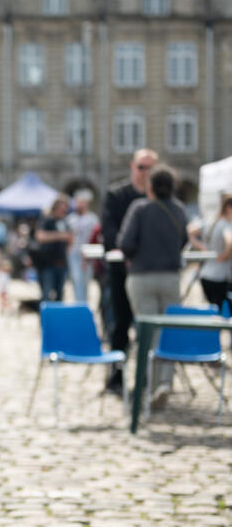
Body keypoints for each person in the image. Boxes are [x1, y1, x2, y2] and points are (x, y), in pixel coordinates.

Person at [118, 164, 188, 410]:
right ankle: (164, 383)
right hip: (170, 277)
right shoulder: (179, 210)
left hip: (142, 277)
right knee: (167, 332)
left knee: (145, 333)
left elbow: (125, 243)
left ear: (150, 186)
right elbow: (184, 241)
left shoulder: (139, 208)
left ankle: (145, 386)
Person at [101, 148, 159, 393]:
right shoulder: (116, 194)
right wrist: (128, 253)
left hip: (148, 271)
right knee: (120, 323)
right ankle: (116, 376)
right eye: (141, 167)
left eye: (150, 168)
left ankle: (149, 377)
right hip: (121, 270)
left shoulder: (158, 197)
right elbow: (109, 231)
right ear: (132, 167)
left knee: (149, 326)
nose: (145, 173)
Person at [189, 193, 232, 312]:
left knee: (214, 314)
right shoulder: (227, 225)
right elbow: (229, 242)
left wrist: (203, 248)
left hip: (206, 275)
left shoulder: (211, 222)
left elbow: (191, 231)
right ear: (228, 208)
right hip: (221, 277)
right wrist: (224, 256)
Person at [34, 195, 72, 303]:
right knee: (46, 294)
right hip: (47, 265)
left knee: (60, 295)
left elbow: (70, 239)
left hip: (62, 264)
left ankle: (57, 319)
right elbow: (40, 236)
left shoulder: (65, 222)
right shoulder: (47, 220)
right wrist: (60, 236)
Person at [67, 190, 99, 302]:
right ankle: (79, 304)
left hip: (88, 254)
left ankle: (83, 304)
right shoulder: (71, 219)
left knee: (85, 282)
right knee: (76, 281)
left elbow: (95, 238)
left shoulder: (92, 219)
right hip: (74, 254)